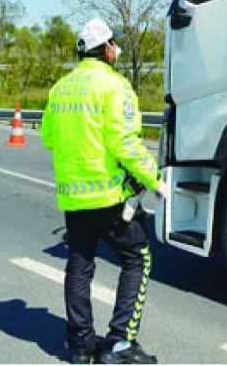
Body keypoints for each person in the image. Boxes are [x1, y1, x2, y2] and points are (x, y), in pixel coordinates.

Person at [41, 18, 164, 364]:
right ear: (106, 49)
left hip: (74, 197)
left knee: (79, 264)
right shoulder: (115, 86)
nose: (116, 50)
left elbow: (50, 136)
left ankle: (80, 346)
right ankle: (120, 341)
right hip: (110, 196)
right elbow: (125, 144)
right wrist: (157, 180)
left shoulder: (61, 87)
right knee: (137, 257)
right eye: (113, 44)